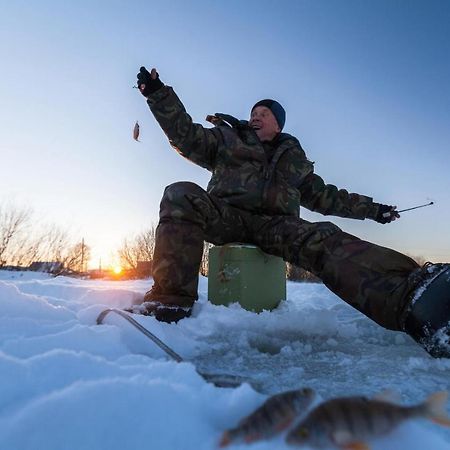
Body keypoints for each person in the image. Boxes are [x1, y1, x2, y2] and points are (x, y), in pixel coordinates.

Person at [131, 66, 450, 358]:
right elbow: (186, 135)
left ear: (278, 123)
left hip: (277, 225)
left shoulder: (293, 159)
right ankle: (169, 302)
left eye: (264, 113)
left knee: (321, 236)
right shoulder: (228, 139)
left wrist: (374, 210)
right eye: (254, 112)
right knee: (180, 194)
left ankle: (415, 297)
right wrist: (158, 94)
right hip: (227, 215)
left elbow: (328, 197)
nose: (256, 116)